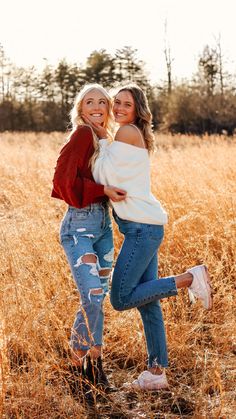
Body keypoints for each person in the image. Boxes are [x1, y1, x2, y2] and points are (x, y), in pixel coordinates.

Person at [92, 84, 213, 391]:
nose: (118, 108)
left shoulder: (125, 133)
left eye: (125, 104)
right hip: (145, 227)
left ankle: (190, 277)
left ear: (137, 110)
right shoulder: (131, 133)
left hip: (141, 230)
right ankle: (156, 372)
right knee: (148, 302)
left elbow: (103, 174)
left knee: (120, 299)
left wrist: (98, 137)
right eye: (115, 102)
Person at [51, 83, 126, 395]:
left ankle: (80, 367)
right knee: (93, 296)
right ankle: (92, 366)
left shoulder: (103, 140)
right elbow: (61, 181)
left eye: (102, 102)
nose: (97, 107)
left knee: (94, 298)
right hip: (79, 227)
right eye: (89, 102)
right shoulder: (82, 134)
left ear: (108, 109)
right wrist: (102, 191)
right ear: (81, 109)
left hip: (103, 227)